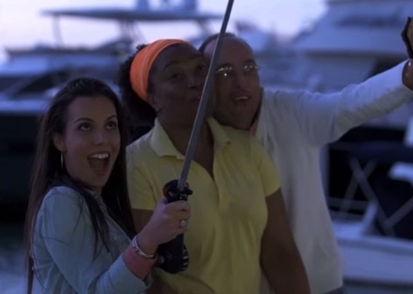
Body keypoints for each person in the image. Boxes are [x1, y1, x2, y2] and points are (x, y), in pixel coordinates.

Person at [199, 31, 413, 294]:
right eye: (224, 72)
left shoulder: (293, 113)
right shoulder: (194, 138)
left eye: (249, 68)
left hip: (318, 286)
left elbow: (349, 103)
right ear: (204, 84)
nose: (241, 82)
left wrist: (407, 74)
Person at [116, 38, 311, 294]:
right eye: (176, 75)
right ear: (153, 98)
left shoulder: (247, 148)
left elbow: (280, 251)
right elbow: (148, 279)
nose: (196, 81)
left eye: (200, 69)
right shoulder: (135, 166)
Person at [23, 77, 191, 294]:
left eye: (111, 125)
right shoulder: (60, 201)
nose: (102, 139)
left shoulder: (101, 205)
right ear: (59, 140)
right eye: (85, 127)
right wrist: (149, 238)